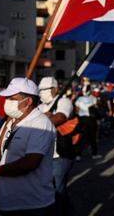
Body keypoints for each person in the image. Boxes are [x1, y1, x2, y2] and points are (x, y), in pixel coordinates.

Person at [0, 77, 56, 215]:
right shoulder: (9, 123)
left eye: (12, 99)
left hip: (31, 206)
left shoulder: (41, 123)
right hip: (5, 203)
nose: (7, 102)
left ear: (28, 101)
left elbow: (31, 162)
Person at [37, 76, 75, 216]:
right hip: (42, 156)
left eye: (44, 89)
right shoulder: (40, 106)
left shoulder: (63, 101)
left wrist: (43, 118)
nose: (42, 92)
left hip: (59, 155)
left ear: (55, 89)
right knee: (47, 190)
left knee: (58, 191)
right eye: (40, 90)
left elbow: (60, 118)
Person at [75, 86, 101, 159]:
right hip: (91, 120)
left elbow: (77, 110)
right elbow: (96, 108)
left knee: (81, 137)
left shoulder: (79, 99)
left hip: (82, 120)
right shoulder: (93, 98)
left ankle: (78, 155)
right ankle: (94, 154)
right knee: (93, 137)